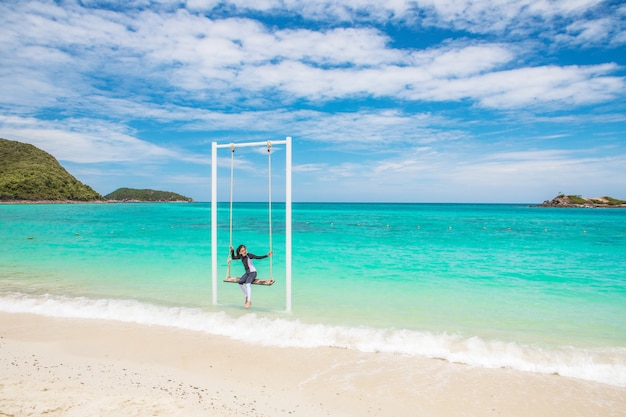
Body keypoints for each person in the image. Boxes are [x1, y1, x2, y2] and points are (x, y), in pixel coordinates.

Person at [230, 244, 272, 309]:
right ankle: (246, 295)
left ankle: (249, 301)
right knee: (240, 282)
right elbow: (233, 258)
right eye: (242, 250)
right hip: (247, 273)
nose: (244, 251)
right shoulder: (240, 256)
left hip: (253, 273)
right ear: (240, 252)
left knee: (247, 284)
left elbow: (258, 257)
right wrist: (232, 250)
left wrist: (267, 255)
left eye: (245, 250)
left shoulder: (249, 255)